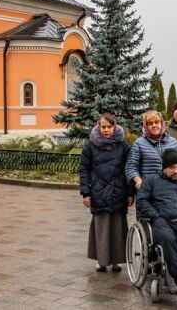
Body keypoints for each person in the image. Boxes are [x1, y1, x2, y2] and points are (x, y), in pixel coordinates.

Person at [136, 149, 177, 295]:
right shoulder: (151, 181)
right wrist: (156, 215)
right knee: (168, 239)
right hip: (161, 221)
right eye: (172, 168)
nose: (176, 171)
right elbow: (141, 201)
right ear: (164, 167)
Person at [79, 113, 134, 272]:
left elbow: (129, 169)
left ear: (114, 127)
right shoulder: (90, 145)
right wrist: (86, 193)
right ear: (99, 126)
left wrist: (130, 193)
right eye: (103, 127)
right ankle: (101, 260)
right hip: (98, 192)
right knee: (101, 228)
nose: (106, 130)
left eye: (109, 127)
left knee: (117, 228)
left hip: (118, 192)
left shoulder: (123, 145)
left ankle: (116, 260)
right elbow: (84, 170)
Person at [126, 110, 177, 191]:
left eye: (157, 122)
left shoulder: (173, 142)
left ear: (161, 124)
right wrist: (138, 181)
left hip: (172, 189)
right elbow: (131, 167)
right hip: (149, 190)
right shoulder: (139, 144)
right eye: (150, 123)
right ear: (146, 126)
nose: (154, 125)